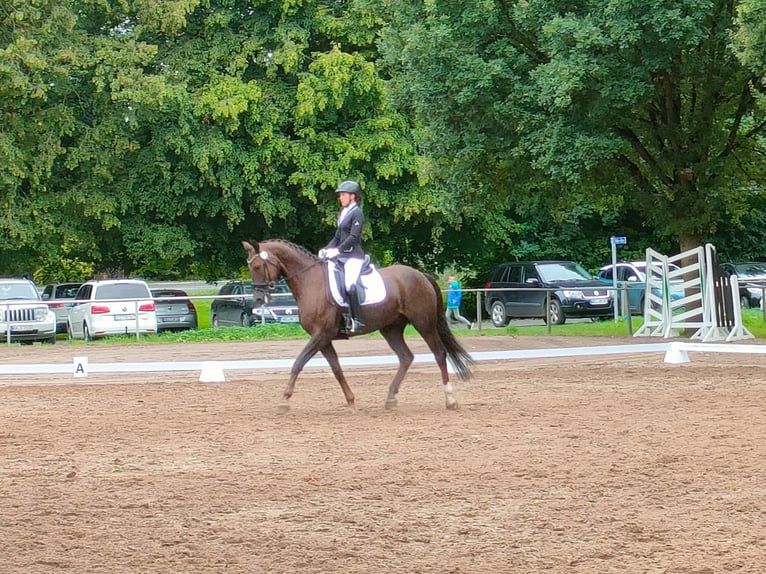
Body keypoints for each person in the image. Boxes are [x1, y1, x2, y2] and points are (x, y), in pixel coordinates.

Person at [318, 180, 366, 332]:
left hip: (354, 256)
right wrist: (326, 249)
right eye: (340, 195)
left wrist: (337, 250)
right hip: (341, 256)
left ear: (352, 196)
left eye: (343, 195)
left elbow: (353, 237)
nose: (341, 198)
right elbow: (337, 236)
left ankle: (356, 320)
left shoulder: (357, 212)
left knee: (349, 284)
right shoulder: (343, 213)